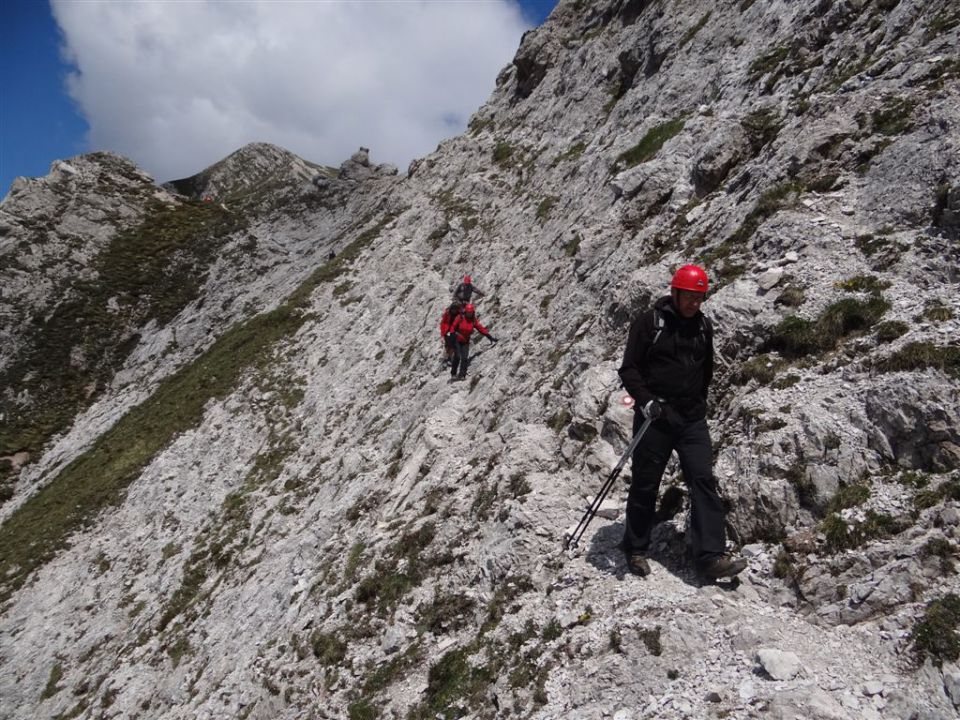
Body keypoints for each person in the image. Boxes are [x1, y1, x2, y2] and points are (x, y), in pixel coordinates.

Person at [617, 264, 746, 580]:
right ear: (675, 293)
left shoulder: (703, 327)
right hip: (655, 418)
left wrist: (697, 404)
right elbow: (629, 369)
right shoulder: (649, 324)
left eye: (700, 297)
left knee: (702, 479)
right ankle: (635, 547)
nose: (694, 303)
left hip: (691, 419)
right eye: (690, 296)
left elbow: (706, 370)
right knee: (647, 481)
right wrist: (646, 400)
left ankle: (711, 557)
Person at [446, 303, 497, 381]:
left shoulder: (473, 320)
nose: (469, 314)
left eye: (471, 312)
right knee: (457, 356)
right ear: (465, 311)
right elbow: (453, 326)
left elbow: (480, 328)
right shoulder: (460, 317)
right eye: (468, 312)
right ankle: (453, 373)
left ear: (473, 312)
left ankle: (462, 375)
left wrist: (489, 336)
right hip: (457, 340)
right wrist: (452, 334)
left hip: (465, 341)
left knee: (464, 358)